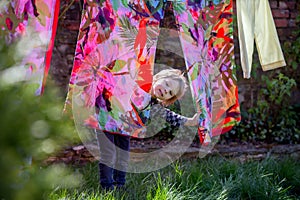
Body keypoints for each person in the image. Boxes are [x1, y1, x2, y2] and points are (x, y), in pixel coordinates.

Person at [95, 69, 200, 190]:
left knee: (123, 155)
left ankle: (119, 185)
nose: (166, 90)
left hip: (123, 128)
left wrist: (190, 121)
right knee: (109, 153)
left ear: (168, 99)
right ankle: (107, 187)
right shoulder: (138, 84)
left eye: (170, 92)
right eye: (166, 83)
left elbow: (169, 116)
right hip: (105, 119)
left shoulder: (152, 104)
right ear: (158, 77)